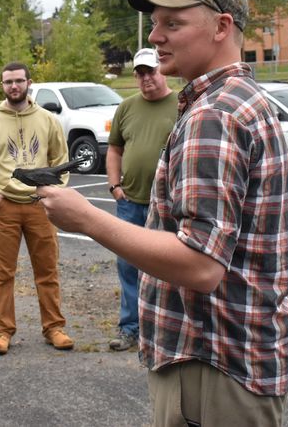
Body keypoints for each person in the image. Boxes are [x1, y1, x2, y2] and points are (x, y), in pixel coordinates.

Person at [37, 0, 288, 426]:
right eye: (156, 22)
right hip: (233, 362)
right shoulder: (241, 98)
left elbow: (200, 264)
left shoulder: (214, 116)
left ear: (222, 26)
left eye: (172, 23)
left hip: (209, 368)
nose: (155, 37)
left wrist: (86, 218)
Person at [0, 62, 74, 356]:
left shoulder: (48, 120)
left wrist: (52, 191)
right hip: (5, 208)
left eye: (18, 81)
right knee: (2, 274)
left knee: (47, 270)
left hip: (40, 208)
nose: (14, 86)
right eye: (8, 82)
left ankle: (54, 328)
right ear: (2, 86)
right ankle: (2, 331)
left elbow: (60, 160)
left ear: (29, 83)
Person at [106, 48, 177, 351]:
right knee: (129, 266)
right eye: (140, 73)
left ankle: (166, 330)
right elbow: (114, 150)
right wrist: (114, 187)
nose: (147, 77)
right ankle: (130, 329)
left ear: (163, 70)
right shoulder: (126, 107)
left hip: (168, 205)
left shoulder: (183, 104)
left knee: (169, 268)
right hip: (131, 202)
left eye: (151, 70)